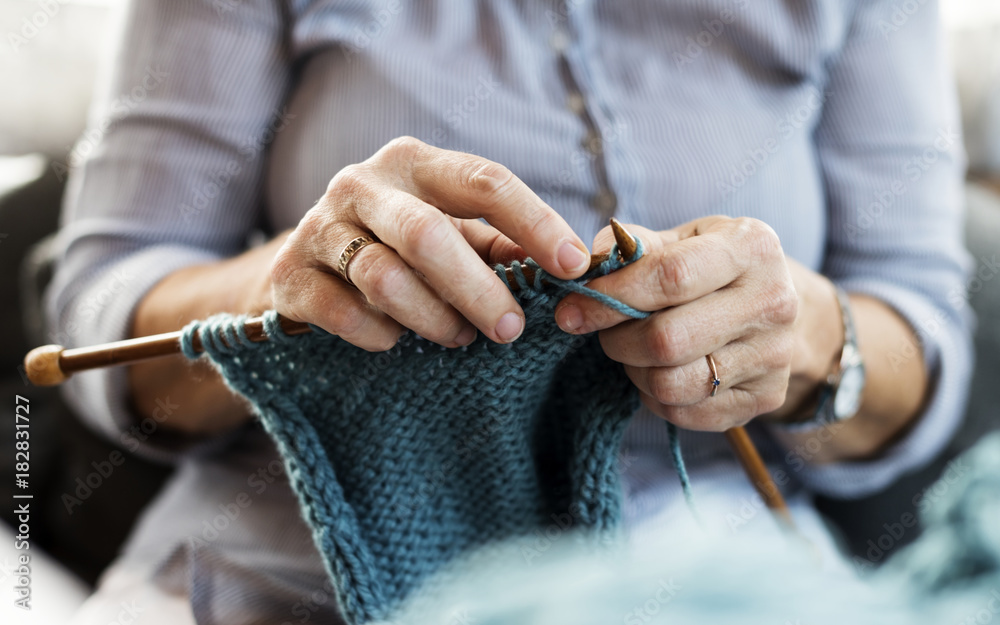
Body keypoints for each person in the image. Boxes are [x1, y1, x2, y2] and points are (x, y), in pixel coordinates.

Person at [50, 1, 972, 623]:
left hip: (716, 579)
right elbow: (103, 310)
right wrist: (284, 291)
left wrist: (805, 336)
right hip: (281, 575)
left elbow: (923, 347)